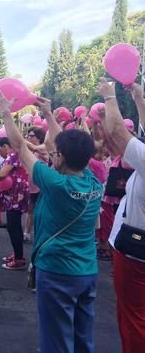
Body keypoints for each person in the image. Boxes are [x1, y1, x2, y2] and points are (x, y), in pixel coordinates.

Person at [0, 89, 102, 353]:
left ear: (62, 157)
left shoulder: (55, 183)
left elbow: (20, 147)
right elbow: (65, 146)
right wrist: (48, 114)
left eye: (57, 153)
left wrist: (6, 114)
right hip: (86, 272)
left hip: (57, 272)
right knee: (82, 339)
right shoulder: (93, 183)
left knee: (56, 341)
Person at [98, 79, 145, 353]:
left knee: (134, 318)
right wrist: (139, 101)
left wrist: (110, 97)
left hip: (136, 252)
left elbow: (117, 132)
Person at [0, 137, 29, 270]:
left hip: (16, 195)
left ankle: (19, 259)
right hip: (14, 194)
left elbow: (2, 174)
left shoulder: (13, 156)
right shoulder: (17, 155)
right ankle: (17, 253)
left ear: (5, 146)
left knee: (13, 226)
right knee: (14, 226)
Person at [23, 126, 47, 242]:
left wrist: (19, 139)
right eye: (28, 136)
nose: (29, 138)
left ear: (39, 137)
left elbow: (33, 147)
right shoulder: (31, 150)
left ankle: (39, 234)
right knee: (30, 209)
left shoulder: (43, 147)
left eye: (31, 136)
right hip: (31, 185)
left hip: (41, 185)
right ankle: (27, 233)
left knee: (39, 211)